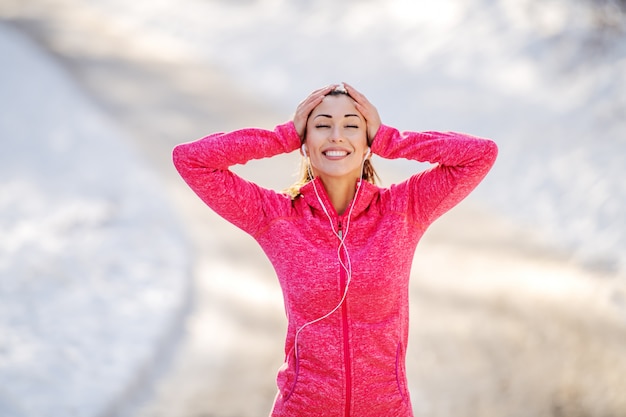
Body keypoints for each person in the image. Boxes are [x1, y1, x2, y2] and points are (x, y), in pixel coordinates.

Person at [172, 83, 498, 417]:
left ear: (367, 142)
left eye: (352, 126)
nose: (336, 136)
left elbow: (480, 154)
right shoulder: (276, 217)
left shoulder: (403, 209)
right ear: (305, 143)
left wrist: (389, 138)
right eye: (322, 124)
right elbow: (191, 160)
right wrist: (282, 136)